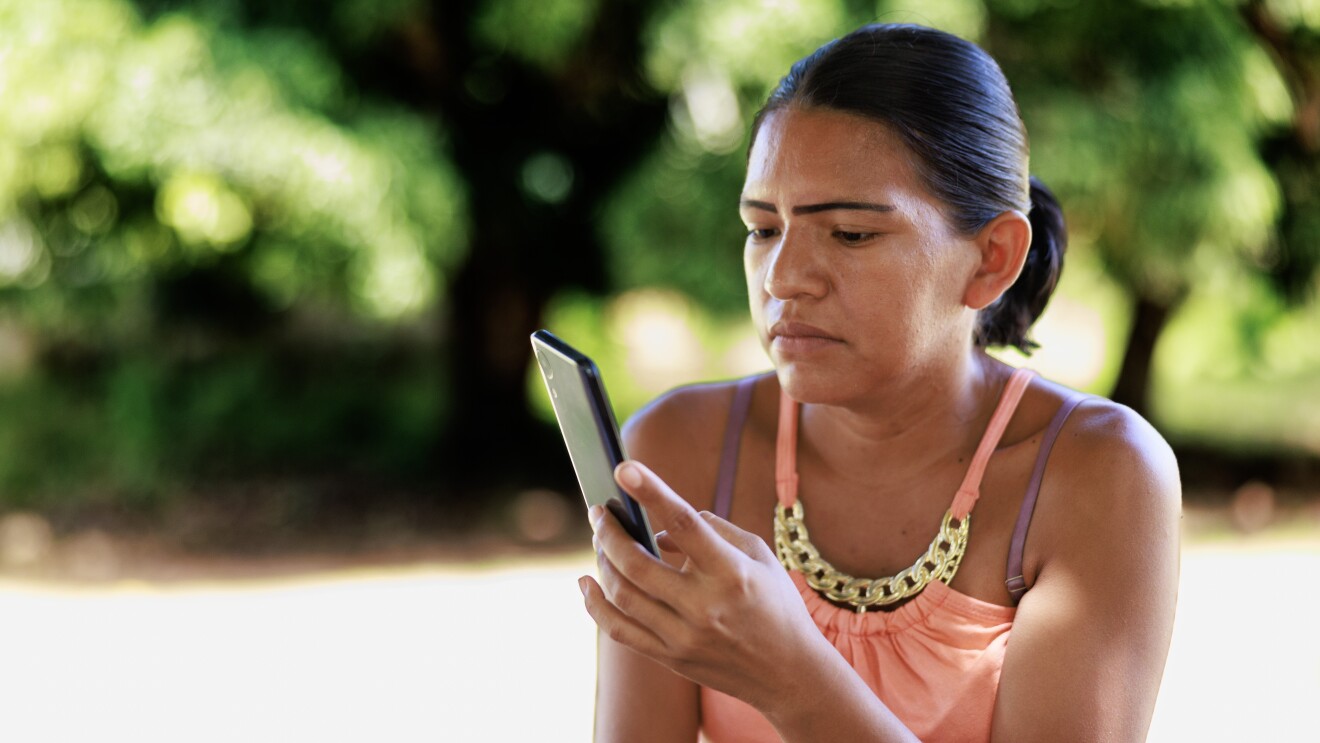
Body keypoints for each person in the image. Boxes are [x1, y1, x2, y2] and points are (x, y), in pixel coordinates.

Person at [578, 23, 1180, 743]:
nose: (783, 278)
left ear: (992, 257)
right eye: (763, 228)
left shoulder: (1097, 475)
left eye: (850, 234)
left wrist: (790, 675)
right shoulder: (678, 456)